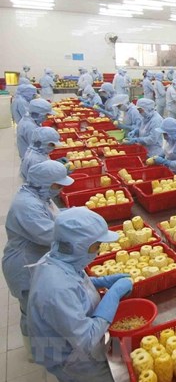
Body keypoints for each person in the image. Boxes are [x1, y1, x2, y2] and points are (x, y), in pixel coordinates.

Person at [28, 207, 133, 381]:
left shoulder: (59, 258)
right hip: (71, 358)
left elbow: (74, 282)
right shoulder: (57, 289)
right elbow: (86, 339)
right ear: (79, 246)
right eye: (97, 246)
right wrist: (112, 295)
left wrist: (99, 281)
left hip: (70, 339)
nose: (99, 251)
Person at [3, 161, 73, 356]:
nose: (60, 190)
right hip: (25, 264)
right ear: (46, 183)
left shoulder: (38, 194)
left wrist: (72, 214)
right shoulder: (27, 206)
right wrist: (82, 236)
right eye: (58, 185)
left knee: (40, 308)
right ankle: (35, 352)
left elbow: (54, 216)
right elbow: (51, 235)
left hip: (37, 257)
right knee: (31, 312)